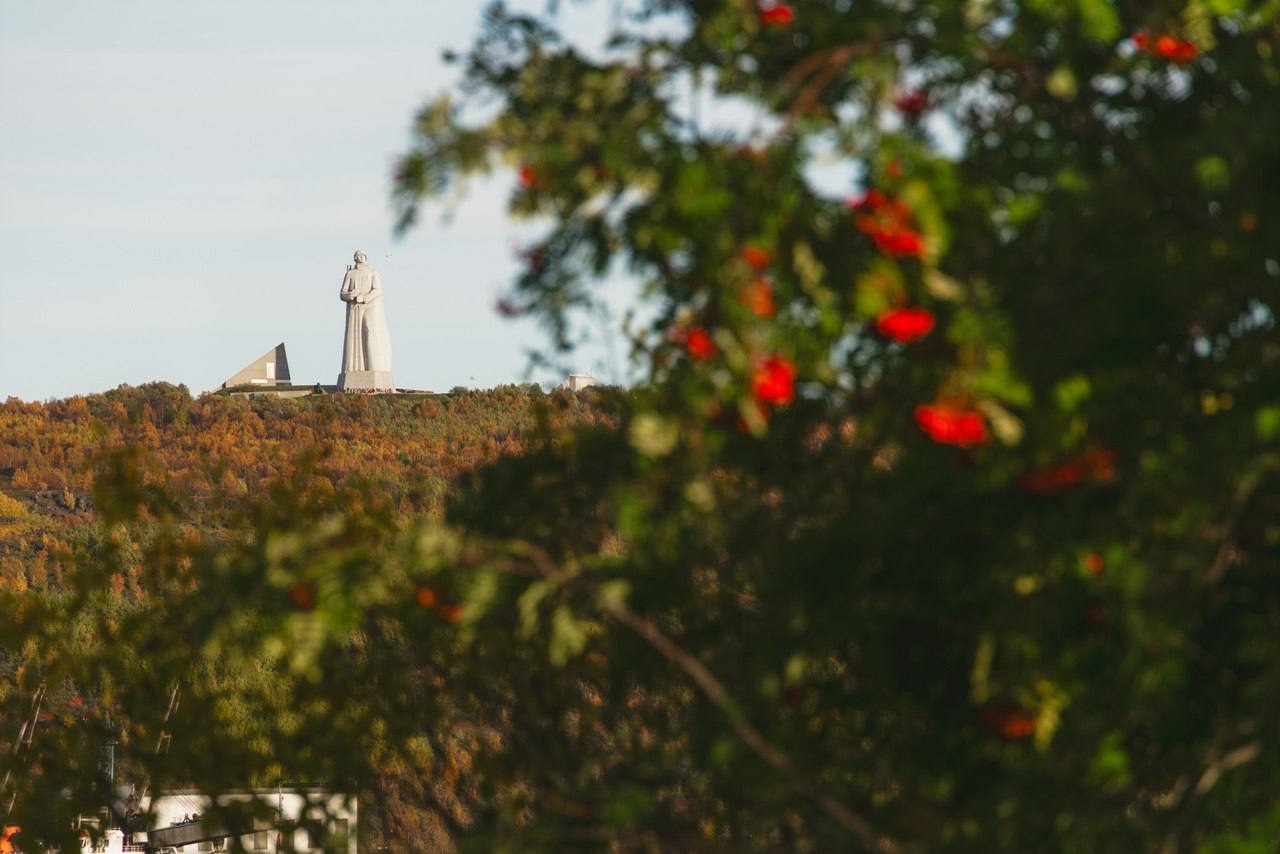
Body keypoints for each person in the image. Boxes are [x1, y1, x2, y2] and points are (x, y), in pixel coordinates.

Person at [339, 249, 393, 375]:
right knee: (354, 337)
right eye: (359, 255)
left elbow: (378, 290)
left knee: (370, 332)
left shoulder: (373, 272)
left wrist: (365, 298)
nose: (361, 257)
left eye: (363, 255)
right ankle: (354, 368)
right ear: (355, 258)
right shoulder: (350, 274)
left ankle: (374, 366)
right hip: (354, 308)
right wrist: (350, 295)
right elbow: (342, 293)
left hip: (370, 306)